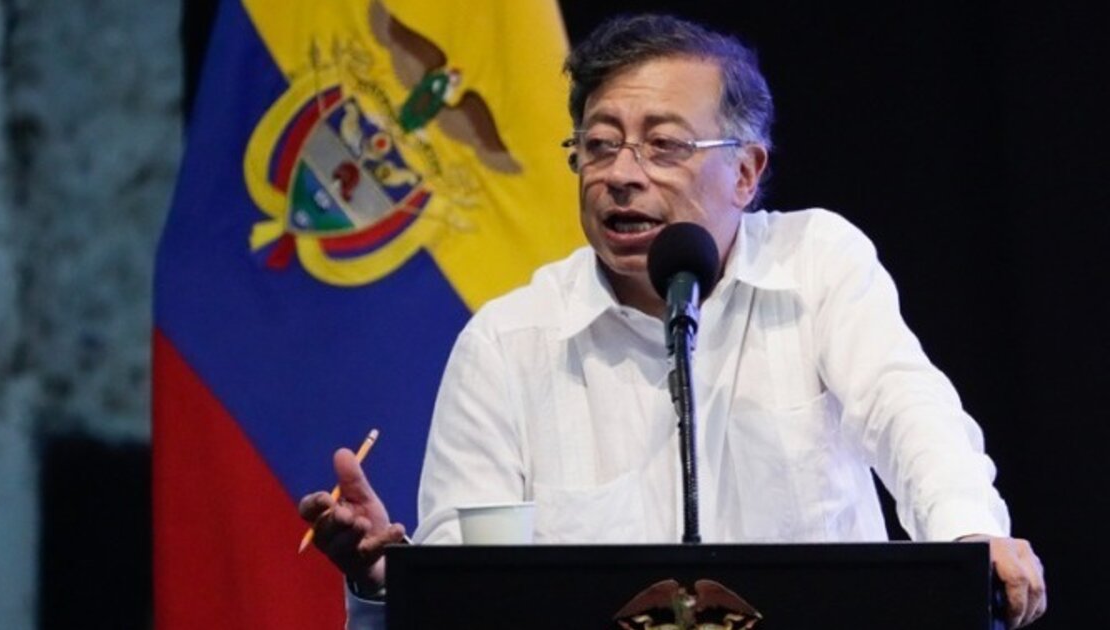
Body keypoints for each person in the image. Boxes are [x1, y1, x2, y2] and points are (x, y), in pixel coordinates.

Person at [300, 13, 1047, 629]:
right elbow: (467, 586)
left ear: (746, 172)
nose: (622, 175)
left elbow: (908, 409)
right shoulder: (506, 343)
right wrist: (386, 581)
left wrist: (970, 533)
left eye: (663, 146)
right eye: (599, 145)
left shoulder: (817, 265)